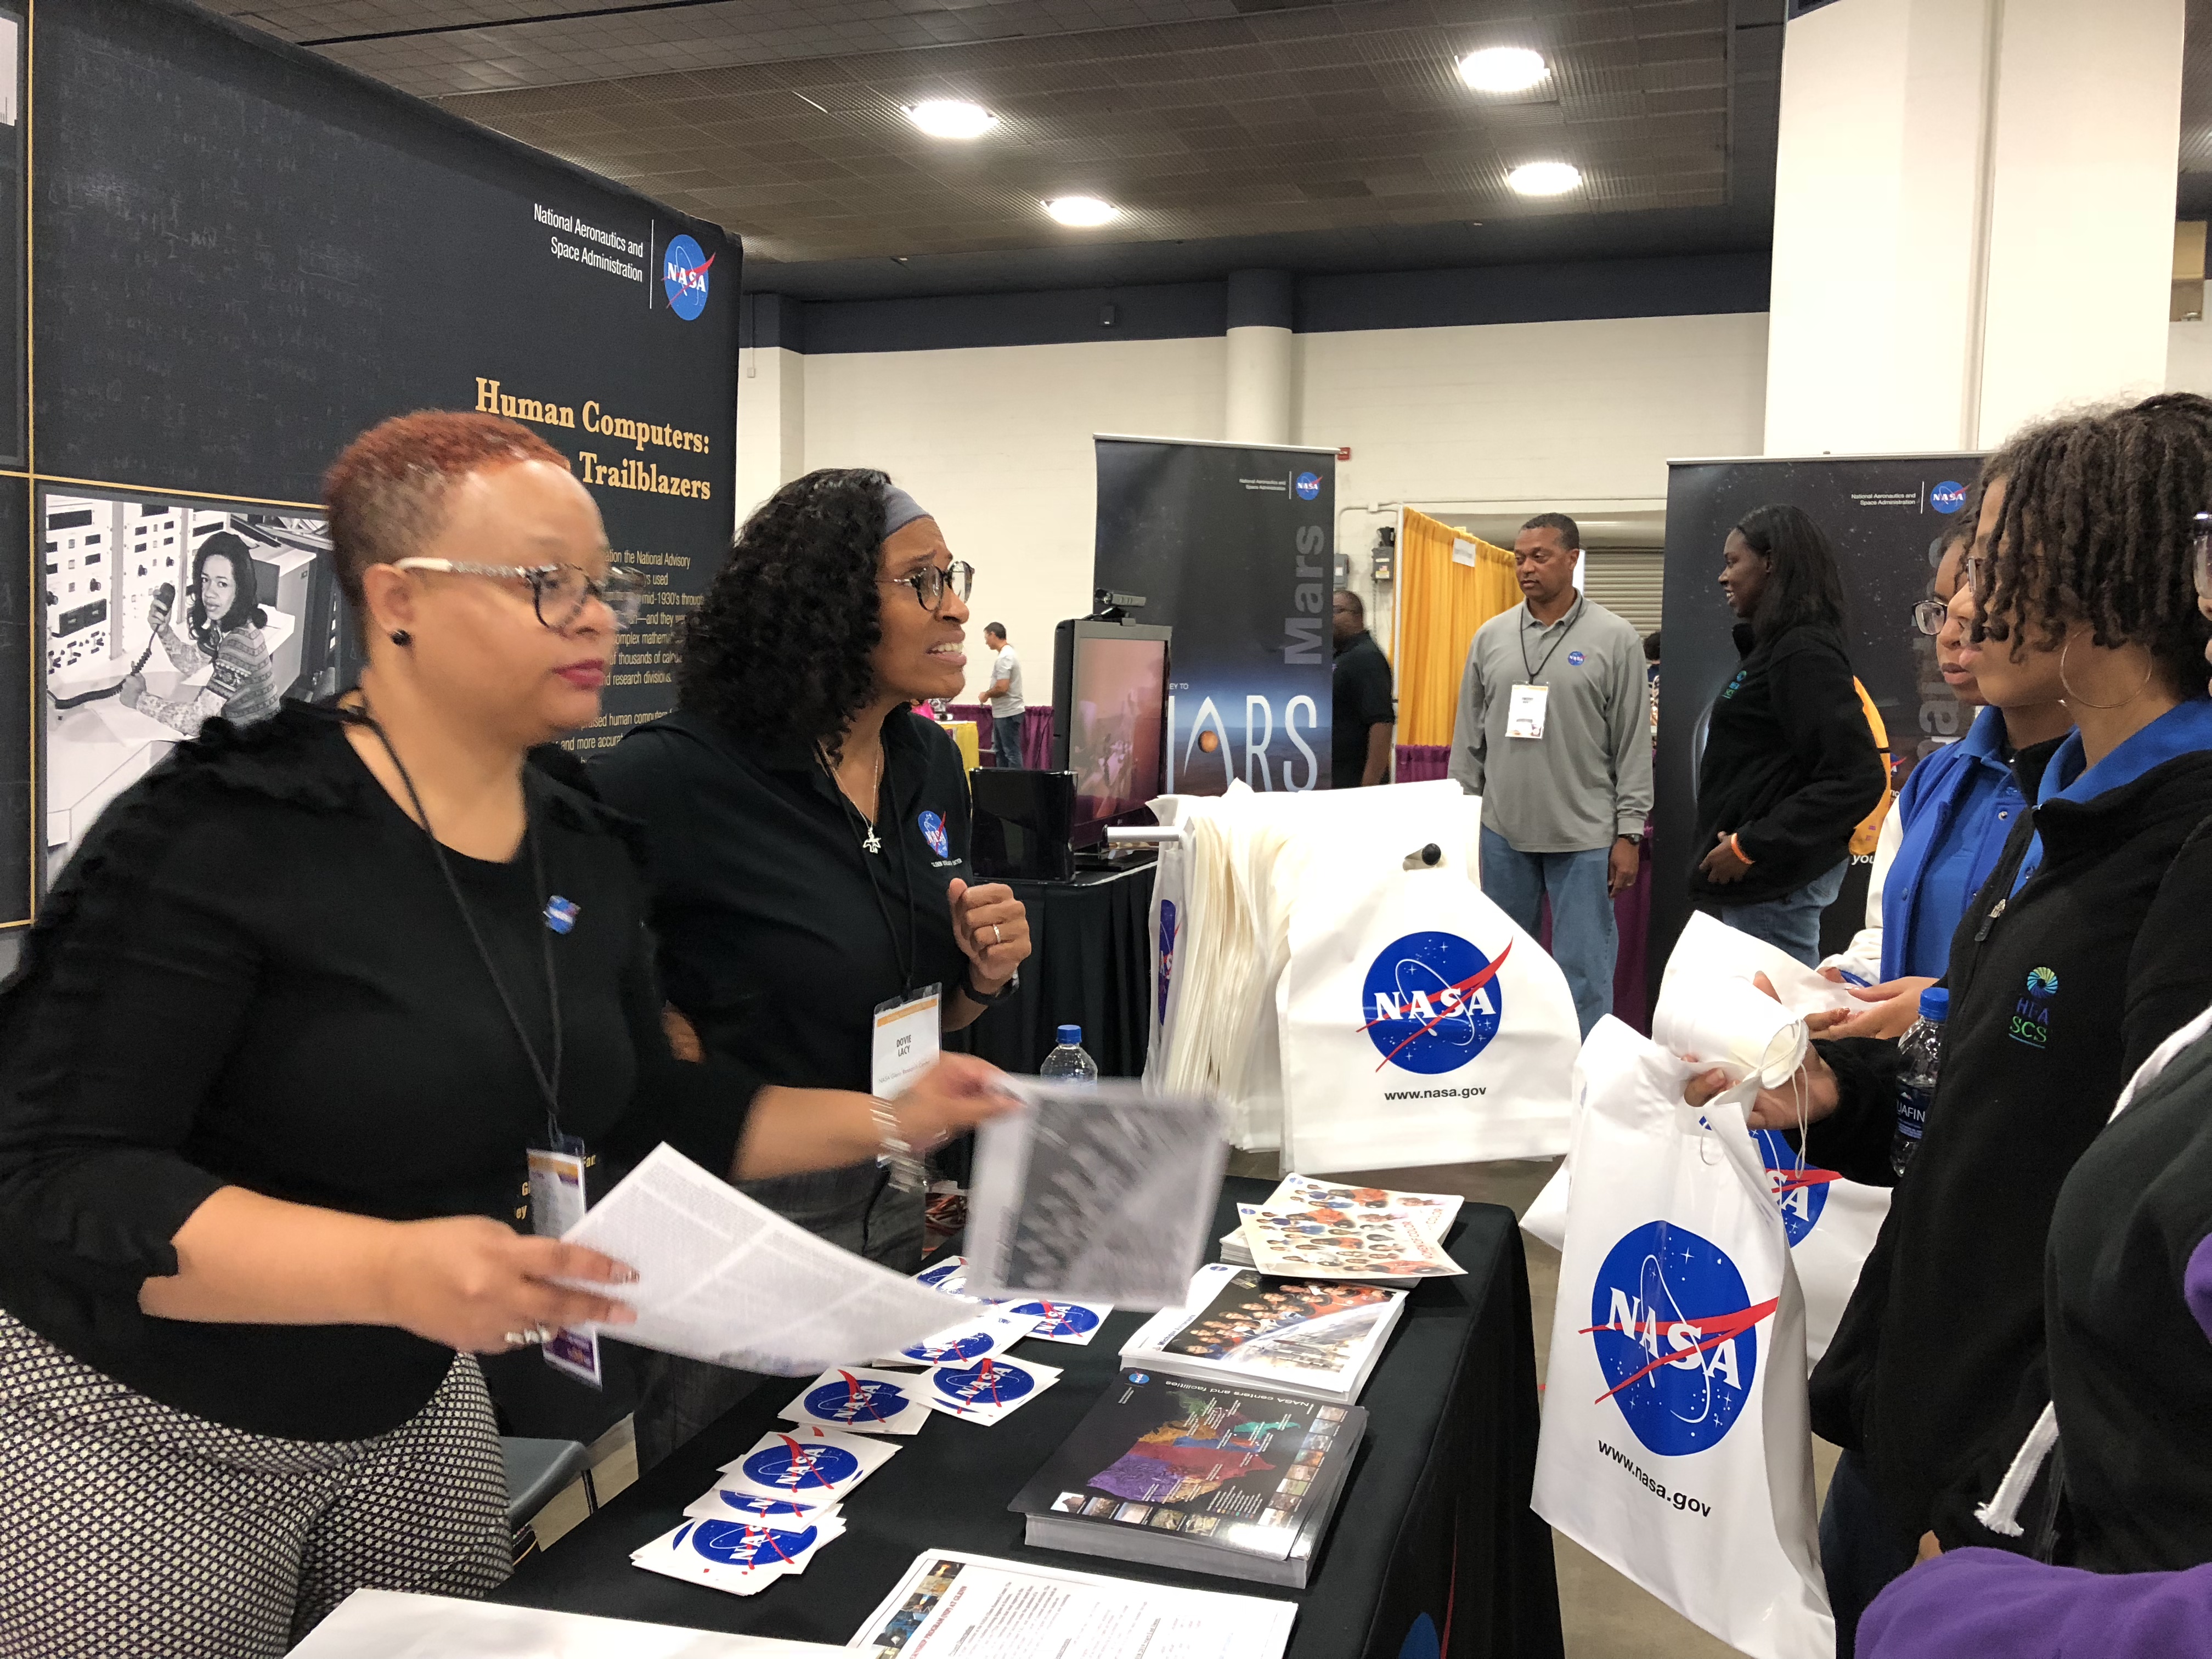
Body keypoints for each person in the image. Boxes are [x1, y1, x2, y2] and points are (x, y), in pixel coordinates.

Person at [0, 413, 1013, 1659]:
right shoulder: (220, 833)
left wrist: (886, 1117)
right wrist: (390, 1270)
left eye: (601, 586)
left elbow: (641, 1105)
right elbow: (56, 1174)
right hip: (147, 1431)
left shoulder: (577, 834)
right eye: (547, 586)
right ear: (400, 599)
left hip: (410, 1410)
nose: (597, 619)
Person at [1685, 393, 2212, 1656]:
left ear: (2104, 577)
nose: (1963, 598)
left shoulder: (2184, 854)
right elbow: (2006, 1096)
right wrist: (1847, 1098)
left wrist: (2005, 1513)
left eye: (2002, 551)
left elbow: (2135, 1254)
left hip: (2012, 1498)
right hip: (1916, 1422)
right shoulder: (2061, 808)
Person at [591, 467, 1033, 1466]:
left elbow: (926, 1015)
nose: (956, 604)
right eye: (921, 580)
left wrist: (979, 976)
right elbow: (568, 972)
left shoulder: (931, 764)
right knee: (724, 1521)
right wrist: (647, 1018)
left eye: (951, 575)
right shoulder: (673, 777)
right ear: (829, 606)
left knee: (867, 1485)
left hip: (890, 1192)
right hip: (744, 1222)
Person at [1818, 516, 2074, 1034]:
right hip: (1910, 1090)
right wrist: (1838, 986)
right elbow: (1886, 934)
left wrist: (1950, 1005)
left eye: (1985, 585)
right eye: (1943, 604)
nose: (1955, 624)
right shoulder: (1936, 777)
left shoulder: (2114, 785)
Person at [1449, 512, 1652, 1034]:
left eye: (1540, 556)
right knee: (1498, 964)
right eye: (1520, 558)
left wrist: (1629, 832)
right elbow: (1469, 738)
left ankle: (1585, 1076)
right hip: (1500, 833)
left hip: (1584, 837)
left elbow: (1632, 741)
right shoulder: (1490, 638)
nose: (1526, 568)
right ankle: (1505, 1069)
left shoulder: (1616, 638)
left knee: (1584, 972)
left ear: (1572, 559)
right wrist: (1457, 821)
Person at [1689, 503, 1888, 967]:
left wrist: (1751, 845)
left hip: (1774, 890)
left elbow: (1856, 777)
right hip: (1762, 890)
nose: (1723, 576)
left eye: (1733, 561)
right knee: (1759, 1027)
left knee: (1777, 1028)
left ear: (1772, 562)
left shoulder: (1803, 651)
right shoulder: (1779, 648)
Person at [121, 530, 282, 737]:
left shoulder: (240, 643)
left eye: (222, 583)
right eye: (206, 580)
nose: (209, 593)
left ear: (240, 589)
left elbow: (198, 722)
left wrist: (139, 699)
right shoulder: (227, 626)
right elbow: (191, 663)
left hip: (256, 754)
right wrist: (164, 631)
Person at [1330, 588, 1394, 787]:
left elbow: (1382, 723)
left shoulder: (1366, 658)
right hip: (1337, 778)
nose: (1328, 619)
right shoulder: (1343, 656)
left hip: (1355, 783)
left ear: (1357, 616)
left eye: (1335, 611)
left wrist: (1368, 788)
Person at [980, 621, 1024, 767]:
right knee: (1001, 751)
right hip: (1004, 713)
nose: (986, 642)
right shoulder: (1008, 654)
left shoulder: (1005, 657)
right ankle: (1005, 784)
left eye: (987, 637)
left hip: (1008, 713)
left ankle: (1015, 786)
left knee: (1010, 753)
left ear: (993, 635)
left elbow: (1002, 687)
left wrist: (986, 695)